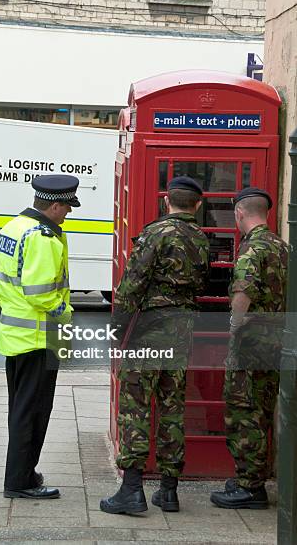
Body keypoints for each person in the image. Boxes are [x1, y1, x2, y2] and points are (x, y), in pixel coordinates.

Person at [100, 177, 209, 515]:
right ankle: (169, 490)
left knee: (135, 406)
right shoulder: (202, 239)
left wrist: (117, 332)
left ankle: (132, 489)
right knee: (172, 406)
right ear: (198, 205)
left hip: (149, 331)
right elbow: (203, 283)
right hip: (182, 331)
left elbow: (131, 286)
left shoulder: (156, 233)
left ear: (166, 201)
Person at [0, 174, 80, 500]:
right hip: (40, 339)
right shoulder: (42, 238)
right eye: (67, 208)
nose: (68, 213)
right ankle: (19, 482)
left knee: (20, 409)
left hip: (15, 337)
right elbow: (40, 292)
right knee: (34, 414)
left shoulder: (12, 228)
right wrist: (65, 313)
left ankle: (23, 472)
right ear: (54, 205)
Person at [210, 187, 288, 509]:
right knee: (263, 411)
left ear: (239, 213)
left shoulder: (251, 250)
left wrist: (232, 326)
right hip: (278, 342)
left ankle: (250, 487)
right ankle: (251, 477)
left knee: (244, 414)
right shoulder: (283, 247)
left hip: (251, 344)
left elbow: (241, 296)